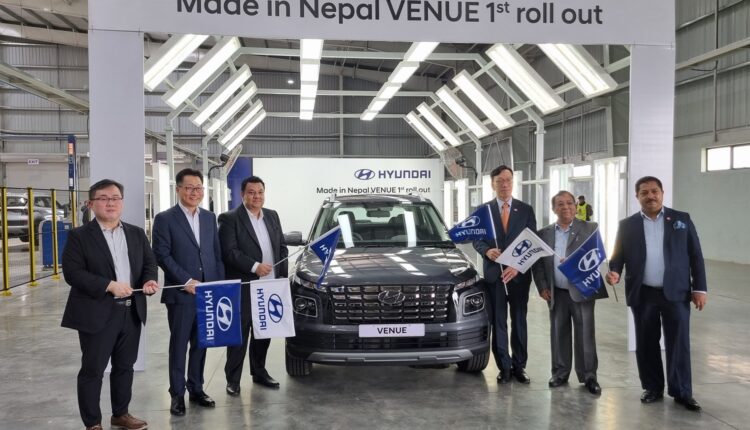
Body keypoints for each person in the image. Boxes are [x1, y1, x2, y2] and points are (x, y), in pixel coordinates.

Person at [61, 179, 159, 430]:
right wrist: (108, 285)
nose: (110, 203)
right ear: (91, 204)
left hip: (131, 310)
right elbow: (73, 273)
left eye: (115, 198)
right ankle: (93, 422)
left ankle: (121, 414)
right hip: (97, 312)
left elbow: (149, 263)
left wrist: (149, 280)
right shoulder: (79, 236)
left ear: (122, 203)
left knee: (125, 366)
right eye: (103, 198)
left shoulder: (136, 233)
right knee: (93, 370)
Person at [606, 176, 707, 411]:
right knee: (646, 342)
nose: (650, 196)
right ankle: (652, 387)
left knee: (678, 342)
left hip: (676, 292)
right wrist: (614, 272)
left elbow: (695, 255)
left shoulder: (681, 219)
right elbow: (618, 256)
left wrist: (699, 288)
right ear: (637, 196)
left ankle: (682, 391)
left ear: (662, 193)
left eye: (654, 191)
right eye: (644, 192)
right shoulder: (627, 225)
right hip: (643, 293)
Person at [151, 168, 224, 416]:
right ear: (179, 189)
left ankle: (196, 388)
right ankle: (177, 394)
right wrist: (186, 280)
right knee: (179, 345)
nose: (195, 192)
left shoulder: (209, 217)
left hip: (207, 293)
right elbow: (162, 255)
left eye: (199, 188)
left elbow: (216, 254)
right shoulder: (165, 219)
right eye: (189, 188)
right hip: (182, 294)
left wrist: (218, 285)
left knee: (202, 344)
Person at [532, 191, 608, 395]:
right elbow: (538, 263)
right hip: (556, 292)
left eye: (569, 203)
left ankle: (589, 376)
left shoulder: (590, 228)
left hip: (582, 290)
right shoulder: (544, 233)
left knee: (585, 335)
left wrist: (575, 262)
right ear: (553, 208)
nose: (565, 207)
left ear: (575, 206)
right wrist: (542, 286)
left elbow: (597, 255)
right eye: (560, 204)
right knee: (559, 333)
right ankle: (560, 373)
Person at [219, 176, 288, 394]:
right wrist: (255, 266)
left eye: (260, 192)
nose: (256, 196)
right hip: (245, 285)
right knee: (240, 334)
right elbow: (229, 252)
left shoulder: (272, 215)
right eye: (251, 192)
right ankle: (233, 380)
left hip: (270, 285)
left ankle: (259, 372)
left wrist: (282, 278)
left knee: (264, 331)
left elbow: (282, 247)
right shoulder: (230, 219)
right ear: (242, 195)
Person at [473, 165, 537, 384]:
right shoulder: (483, 210)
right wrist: (487, 251)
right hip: (495, 274)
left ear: (513, 182)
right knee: (498, 320)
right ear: (492, 184)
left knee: (519, 320)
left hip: (518, 275)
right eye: (500, 181)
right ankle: (504, 367)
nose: (504, 184)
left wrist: (518, 265)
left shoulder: (525, 210)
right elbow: (477, 239)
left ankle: (520, 366)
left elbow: (532, 241)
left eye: (508, 180)